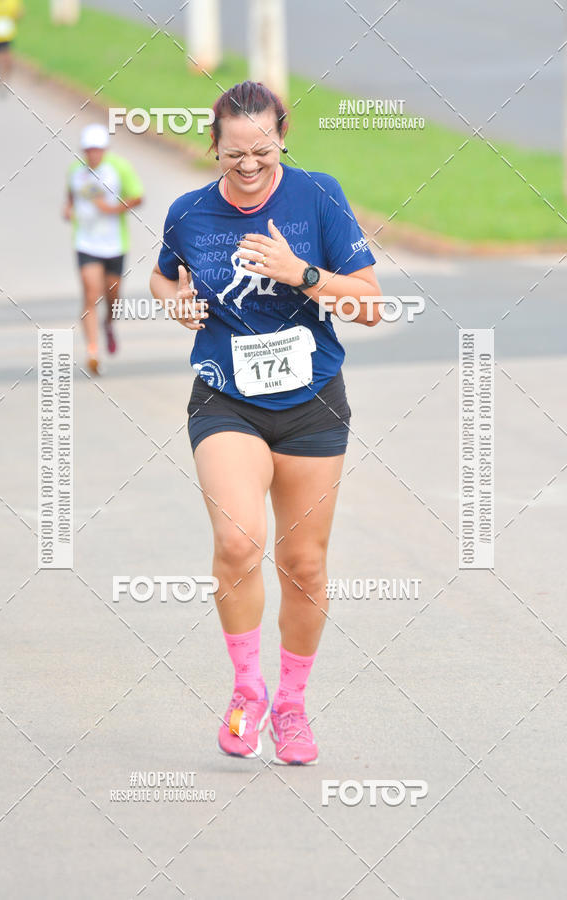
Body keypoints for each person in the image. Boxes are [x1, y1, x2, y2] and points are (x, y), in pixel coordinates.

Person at [150, 81, 382, 765]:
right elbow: (164, 276)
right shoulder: (188, 212)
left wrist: (303, 273)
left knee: (304, 563)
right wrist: (174, 300)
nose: (249, 166)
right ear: (213, 146)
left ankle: (291, 705)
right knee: (237, 541)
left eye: (262, 151)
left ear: (283, 135)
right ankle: (247, 688)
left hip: (312, 400)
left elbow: (370, 303)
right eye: (233, 155)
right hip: (226, 398)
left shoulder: (319, 196)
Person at [64, 124, 144, 375]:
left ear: (104, 150)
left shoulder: (118, 168)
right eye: (89, 150)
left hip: (114, 244)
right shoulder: (75, 171)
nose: (93, 155)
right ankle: (92, 351)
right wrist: (67, 209)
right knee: (90, 293)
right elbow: (70, 196)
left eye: (97, 150)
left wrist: (113, 209)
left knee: (112, 297)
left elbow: (137, 196)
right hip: (86, 242)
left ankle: (109, 323)